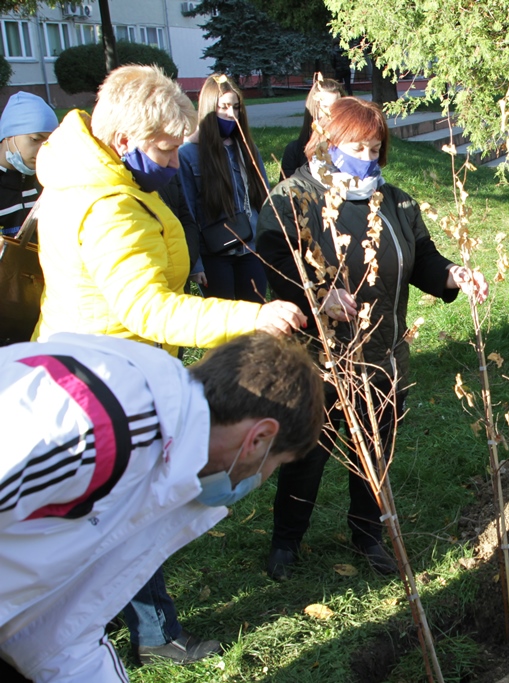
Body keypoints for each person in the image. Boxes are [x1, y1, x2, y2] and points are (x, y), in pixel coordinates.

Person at [32, 64, 306, 666]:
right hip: (107, 382)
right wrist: (250, 317)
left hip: (93, 364)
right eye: (162, 148)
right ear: (125, 138)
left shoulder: (91, 175)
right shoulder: (108, 204)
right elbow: (147, 308)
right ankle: (151, 635)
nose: (171, 161)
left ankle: (111, 621)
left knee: (107, 514)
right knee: (126, 517)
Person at [0, 332, 323, 683]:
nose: (263, 478)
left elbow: (58, 635)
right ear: (258, 438)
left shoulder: (165, 460)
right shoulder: (99, 432)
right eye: (277, 462)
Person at [256, 96, 488, 579]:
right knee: (308, 452)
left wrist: (454, 274)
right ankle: (285, 541)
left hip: (383, 355)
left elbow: (423, 259)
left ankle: (368, 535)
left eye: (375, 148)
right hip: (319, 358)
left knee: (375, 455)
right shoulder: (294, 199)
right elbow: (273, 262)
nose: (367, 157)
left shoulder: (396, 202)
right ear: (328, 143)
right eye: (356, 147)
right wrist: (316, 295)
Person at [178, 74, 269, 303]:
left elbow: (265, 200)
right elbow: (187, 212)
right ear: (210, 108)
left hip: (250, 250)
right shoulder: (188, 154)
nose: (231, 114)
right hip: (214, 253)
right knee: (224, 320)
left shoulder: (247, 148)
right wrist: (196, 264)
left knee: (255, 315)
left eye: (236, 107)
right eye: (224, 107)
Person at [0, 93, 58, 237]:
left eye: (48, 142)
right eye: (35, 139)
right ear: (9, 136)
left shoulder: (49, 182)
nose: (42, 149)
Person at [279, 78, 344, 180]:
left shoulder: (353, 146)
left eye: (335, 107)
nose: (330, 113)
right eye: (324, 107)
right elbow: (287, 187)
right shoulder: (295, 150)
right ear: (314, 109)